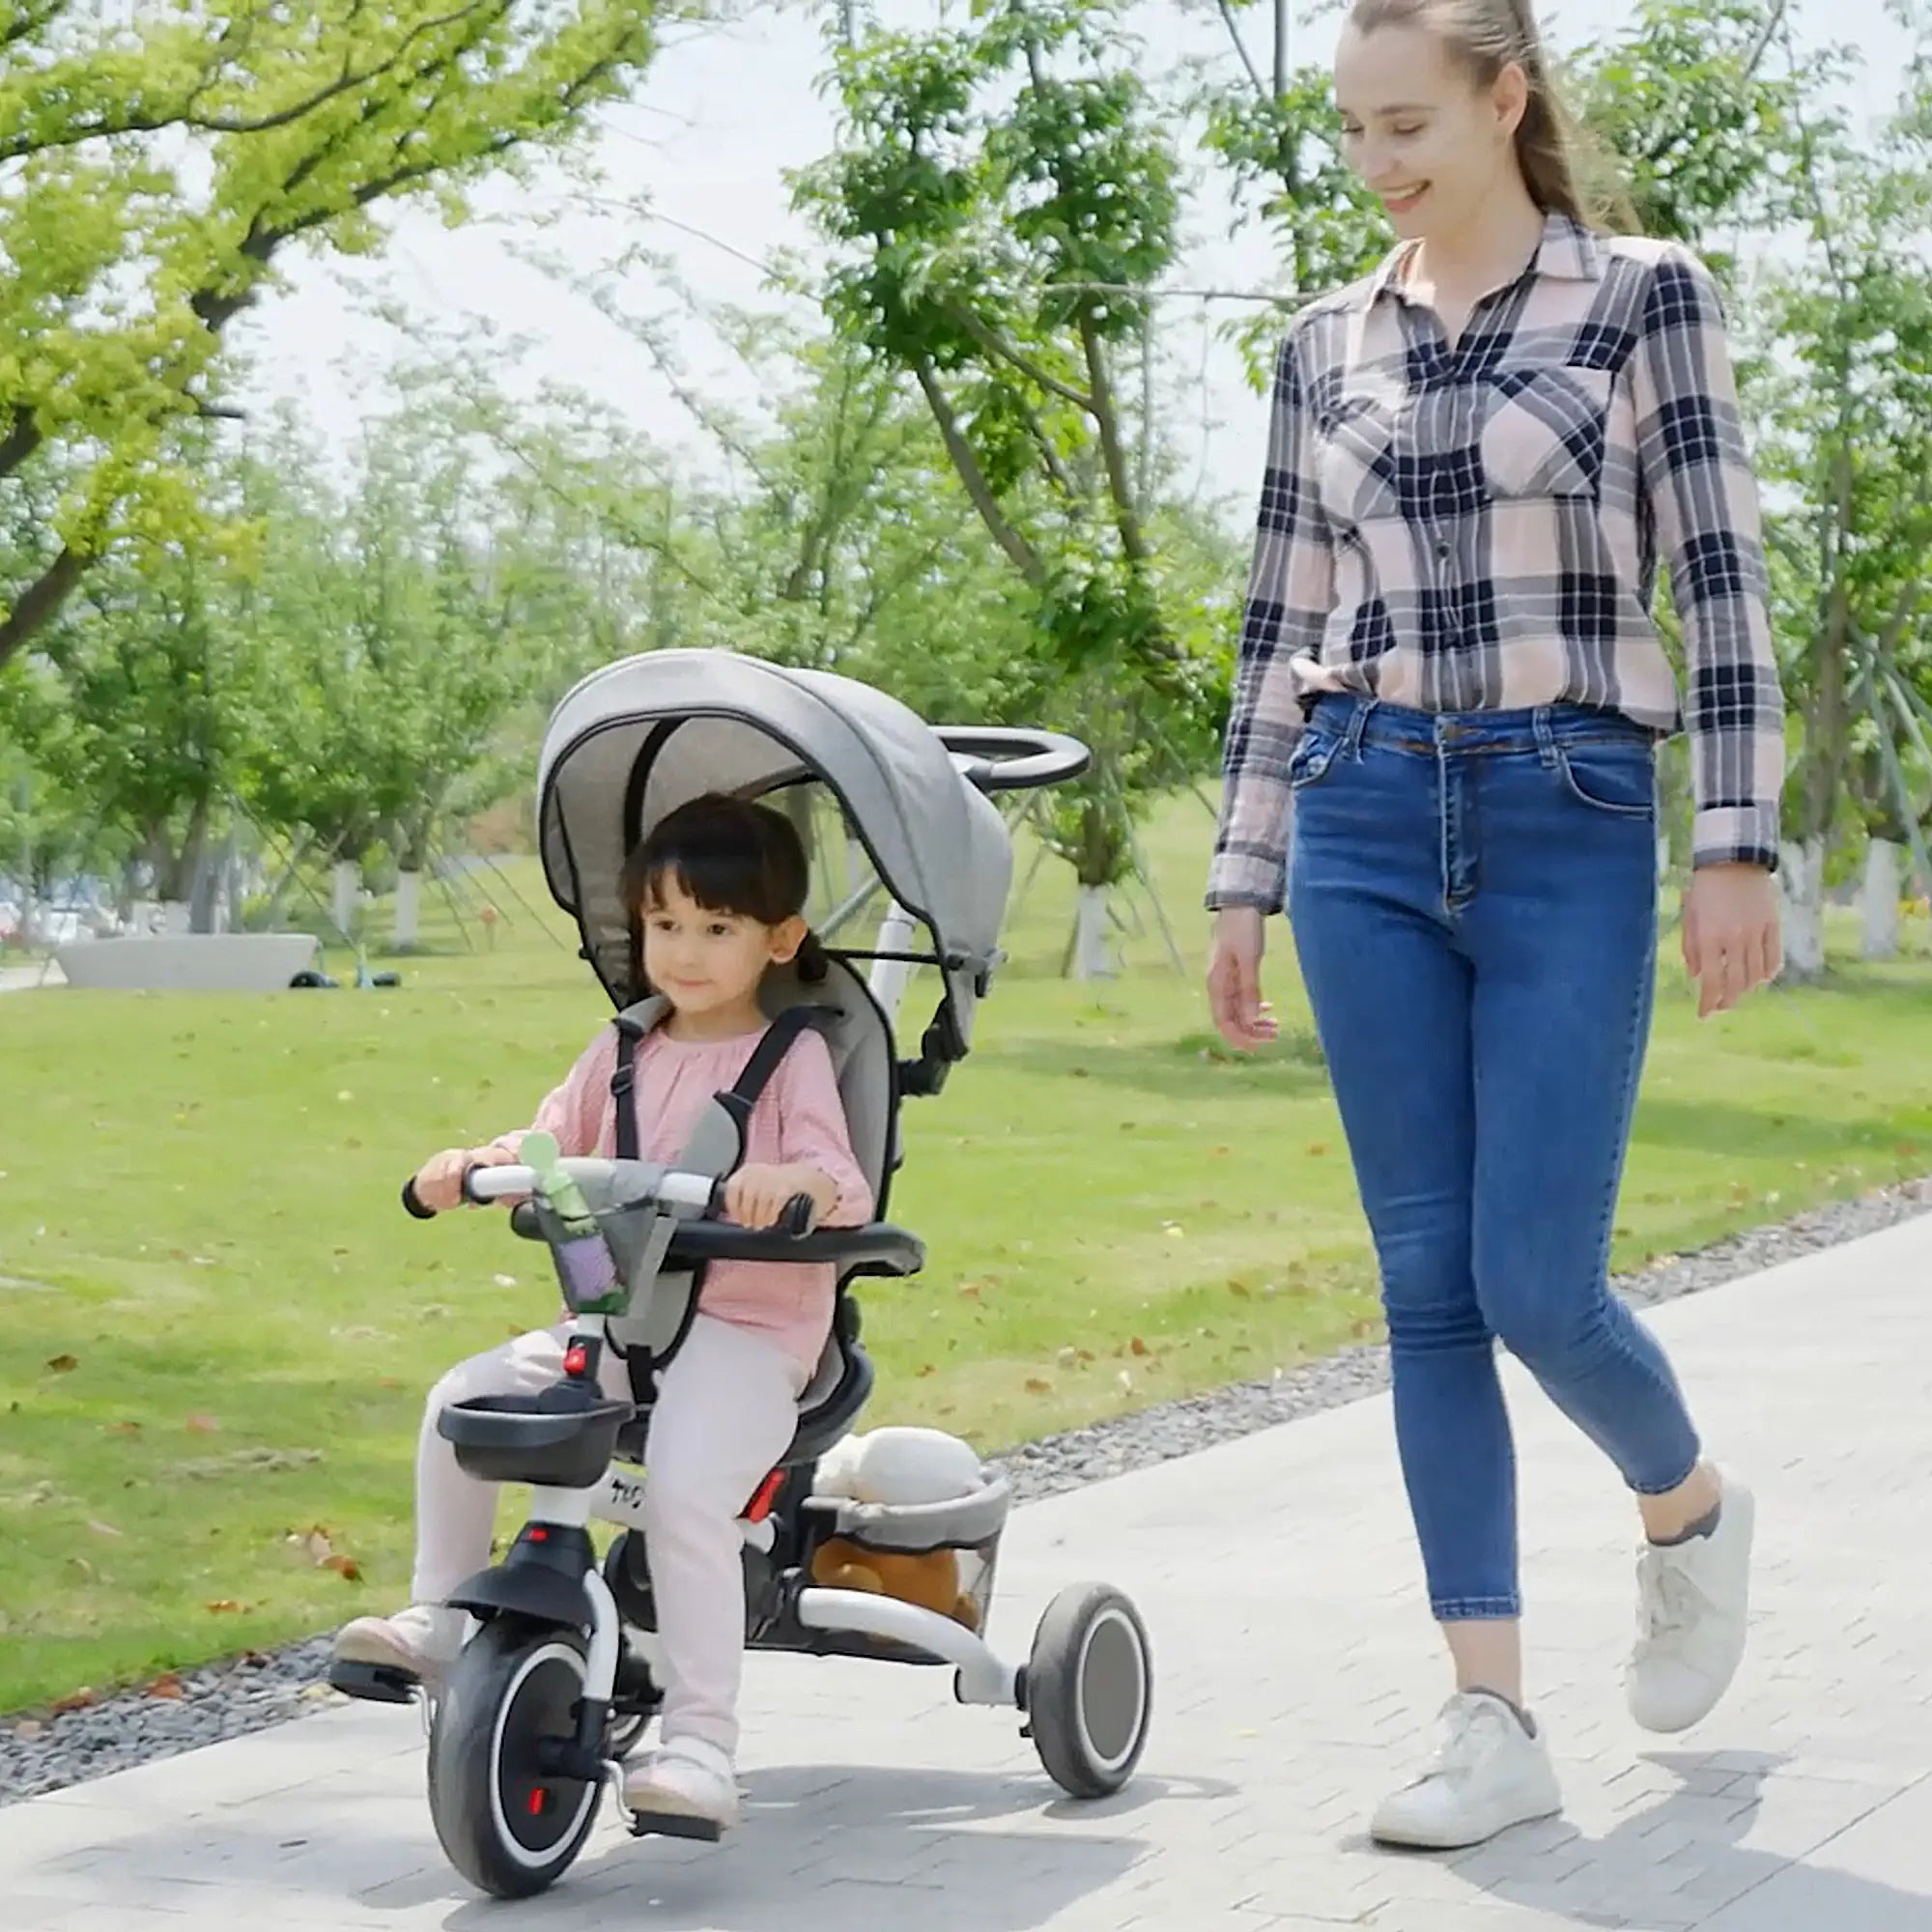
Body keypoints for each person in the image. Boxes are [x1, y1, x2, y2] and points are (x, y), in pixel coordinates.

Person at [1204, 0, 1785, 1853]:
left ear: (1503, 95)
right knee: (1428, 1286)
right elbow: (1275, 616)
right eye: (1354, 135)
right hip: (1365, 812)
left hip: (1571, 810)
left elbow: (1716, 568)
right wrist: (1246, 867)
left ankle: (1686, 1505)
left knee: (1541, 1278)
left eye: (1408, 125)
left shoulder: (1640, 299)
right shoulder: (1322, 344)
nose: (1378, 165)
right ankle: (1491, 1717)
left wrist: (1740, 841)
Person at [331, 792, 873, 1834]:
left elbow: (839, 1183)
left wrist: (785, 1181)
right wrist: (478, 1166)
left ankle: (702, 1743)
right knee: (462, 1403)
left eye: (718, 928)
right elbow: (545, 1146)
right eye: (665, 925)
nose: (686, 950)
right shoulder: (621, 1047)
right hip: (618, 1321)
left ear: (779, 938)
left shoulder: (791, 1056)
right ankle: (441, 1614)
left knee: (680, 1489)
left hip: (748, 1336)